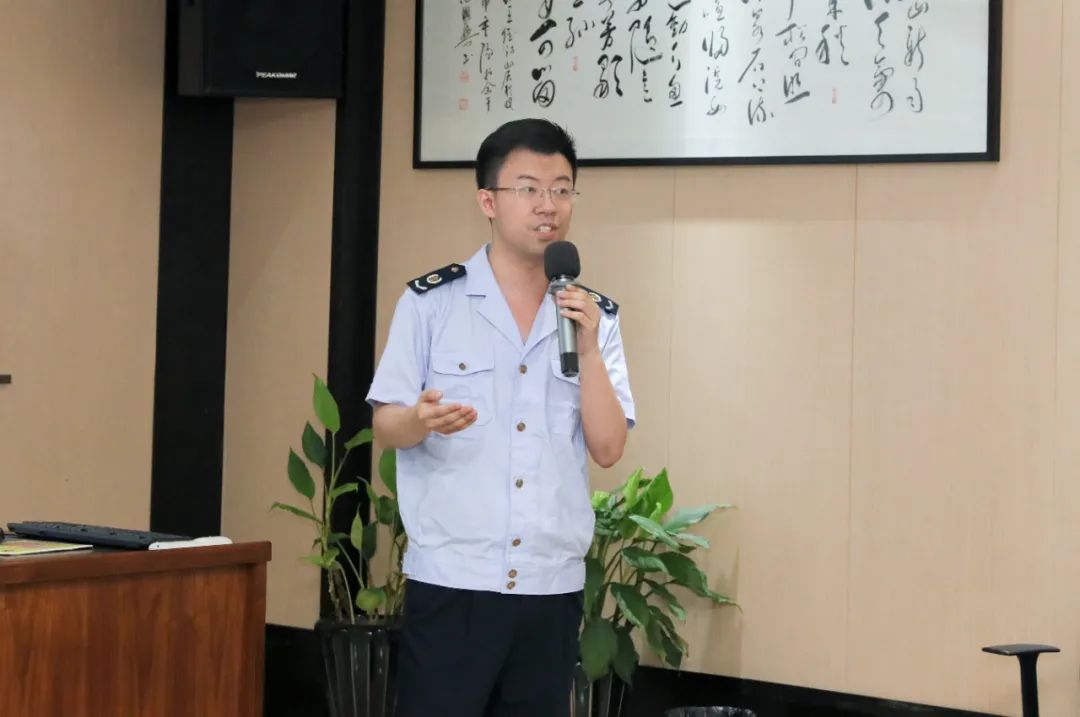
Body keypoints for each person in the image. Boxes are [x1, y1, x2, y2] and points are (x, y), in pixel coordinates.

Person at [366, 118, 635, 717]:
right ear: (488, 201)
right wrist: (420, 420)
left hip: (549, 585)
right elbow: (385, 425)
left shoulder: (595, 317)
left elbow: (609, 448)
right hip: (454, 582)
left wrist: (590, 352)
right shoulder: (431, 304)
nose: (548, 206)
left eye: (561, 189)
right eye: (529, 189)